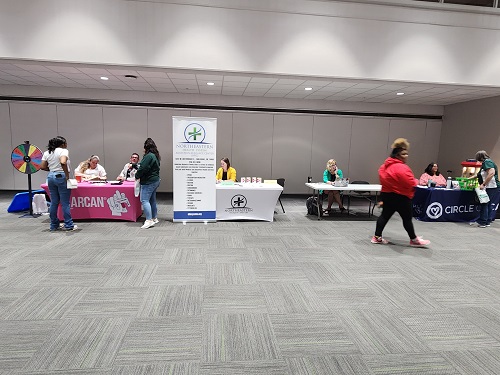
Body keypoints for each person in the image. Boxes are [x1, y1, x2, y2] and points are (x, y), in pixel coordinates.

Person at [372, 138, 430, 247]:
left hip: (388, 196)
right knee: (407, 219)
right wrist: (415, 181)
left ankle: (377, 237)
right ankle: (413, 239)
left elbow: (384, 180)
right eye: (404, 154)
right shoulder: (402, 168)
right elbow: (410, 183)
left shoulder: (383, 167)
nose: (406, 156)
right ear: (397, 155)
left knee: (384, 216)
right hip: (401, 198)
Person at [40, 136, 78, 231]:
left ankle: (54, 225)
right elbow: (63, 162)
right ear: (62, 144)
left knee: (54, 202)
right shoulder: (63, 151)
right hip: (61, 176)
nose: (66, 145)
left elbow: (42, 166)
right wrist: (66, 175)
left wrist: (52, 169)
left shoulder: (47, 152)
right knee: (65, 203)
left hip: (51, 176)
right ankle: (69, 225)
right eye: (66, 143)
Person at [136, 138, 161, 229]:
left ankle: (149, 220)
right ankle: (154, 218)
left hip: (148, 181)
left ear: (146, 147)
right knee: (152, 200)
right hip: (155, 180)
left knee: (144, 200)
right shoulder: (155, 155)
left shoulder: (148, 156)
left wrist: (137, 175)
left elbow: (143, 168)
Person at [475, 150, 500, 228]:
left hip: (491, 186)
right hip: (491, 187)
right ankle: (487, 221)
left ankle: (483, 221)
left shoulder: (487, 162)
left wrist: (483, 184)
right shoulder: (487, 162)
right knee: (488, 203)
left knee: (484, 203)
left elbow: (491, 173)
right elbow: (480, 174)